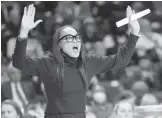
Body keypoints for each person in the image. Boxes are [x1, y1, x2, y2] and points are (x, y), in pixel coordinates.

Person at [12, 4, 140, 118]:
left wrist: (134, 33)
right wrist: (23, 32)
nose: (75, 41)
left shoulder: (88, 62)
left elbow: (121, 60)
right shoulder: (47, 63)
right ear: (59, 44)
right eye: (69, 38)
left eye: (77, 37)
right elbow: (19, 62)